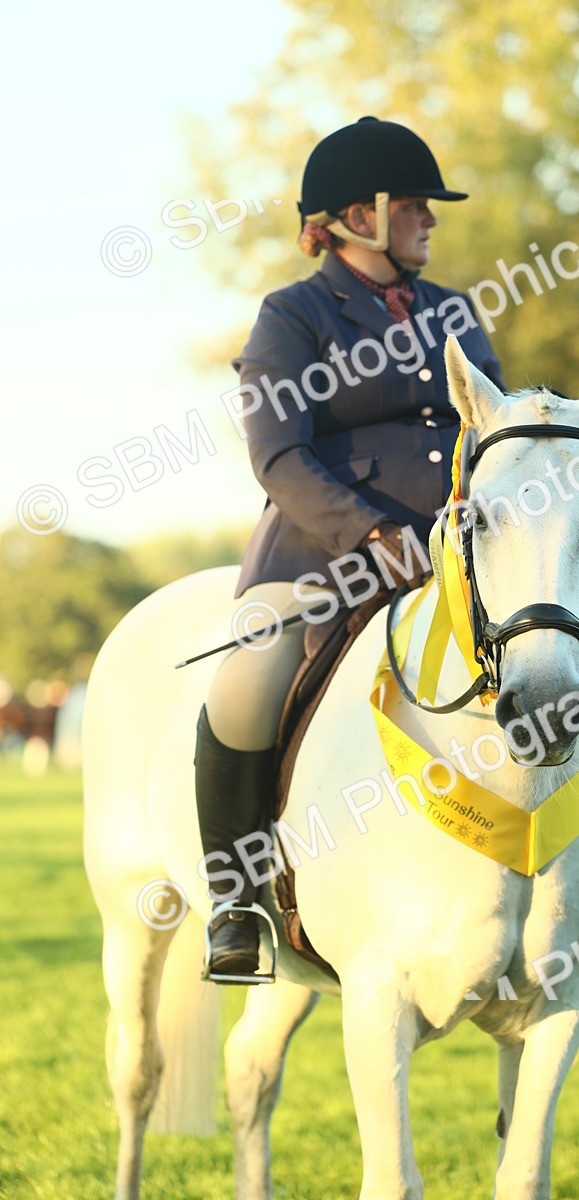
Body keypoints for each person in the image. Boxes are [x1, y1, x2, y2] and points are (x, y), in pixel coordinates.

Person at [195, 116, 505, 978]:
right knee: (250, 674)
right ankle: (234, 895)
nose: (431, 221)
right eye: (414, 206)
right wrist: (372, 533)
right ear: (359, 217)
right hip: (321, 562)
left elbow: (494, 430)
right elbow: (277, 456)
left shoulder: (454, 312)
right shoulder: (292, 316)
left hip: (451, 559)